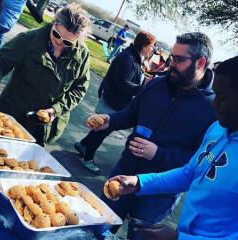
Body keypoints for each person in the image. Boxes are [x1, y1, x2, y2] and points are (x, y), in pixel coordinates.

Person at [90, 32, 217, 240]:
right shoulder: (156, 84)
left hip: (158, 195)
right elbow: (131, 113)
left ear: (201, 62)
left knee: (140, 238)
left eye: (179, 59)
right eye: (171, 57)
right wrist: (110, 121)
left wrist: (158, 154)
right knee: (96, 229)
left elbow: (200, 164)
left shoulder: (214, 110)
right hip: (123, 174)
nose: (171, 63)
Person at [109, 56, 238, 240]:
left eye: (222, 97)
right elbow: (190, 172)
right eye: (215, 94)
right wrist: (140, 182)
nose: (215, 104)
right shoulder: (218, 128)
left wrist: (180, 239)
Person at [0, 3, 91, 145]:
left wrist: (56, 110)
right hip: (12, 115)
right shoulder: (28, 40)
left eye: (67, 42)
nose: (59, 42)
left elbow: (79, 89)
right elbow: (1, 61)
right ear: (54, 23)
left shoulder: (82, 56)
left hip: (43, 127)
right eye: (56, 34)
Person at [74, 31, 156, 174]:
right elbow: (123, 83)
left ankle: (82, 145)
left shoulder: (135, 57)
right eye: (151, 46)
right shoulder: (128, 58)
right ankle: (87, 158)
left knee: (101, 129)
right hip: (113, 102)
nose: (152, 50)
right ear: (143, 45)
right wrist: (143, 88)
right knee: (102, 131)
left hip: (117, 102)